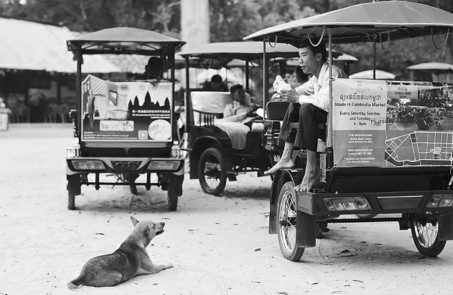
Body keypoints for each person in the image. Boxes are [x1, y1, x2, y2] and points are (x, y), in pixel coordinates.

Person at [264, 40, 347, 193]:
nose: (300, 61)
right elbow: (299, 91)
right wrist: (283, 90)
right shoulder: (316, 78)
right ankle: (286, 156)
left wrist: (297, 98)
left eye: (304, 55)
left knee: (306, 108)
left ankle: (312, 168)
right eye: (299, 56)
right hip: (327, 121)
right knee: (295, 105)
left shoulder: (332, 73)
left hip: (339, 123)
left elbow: (325, 103)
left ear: (318, 56)